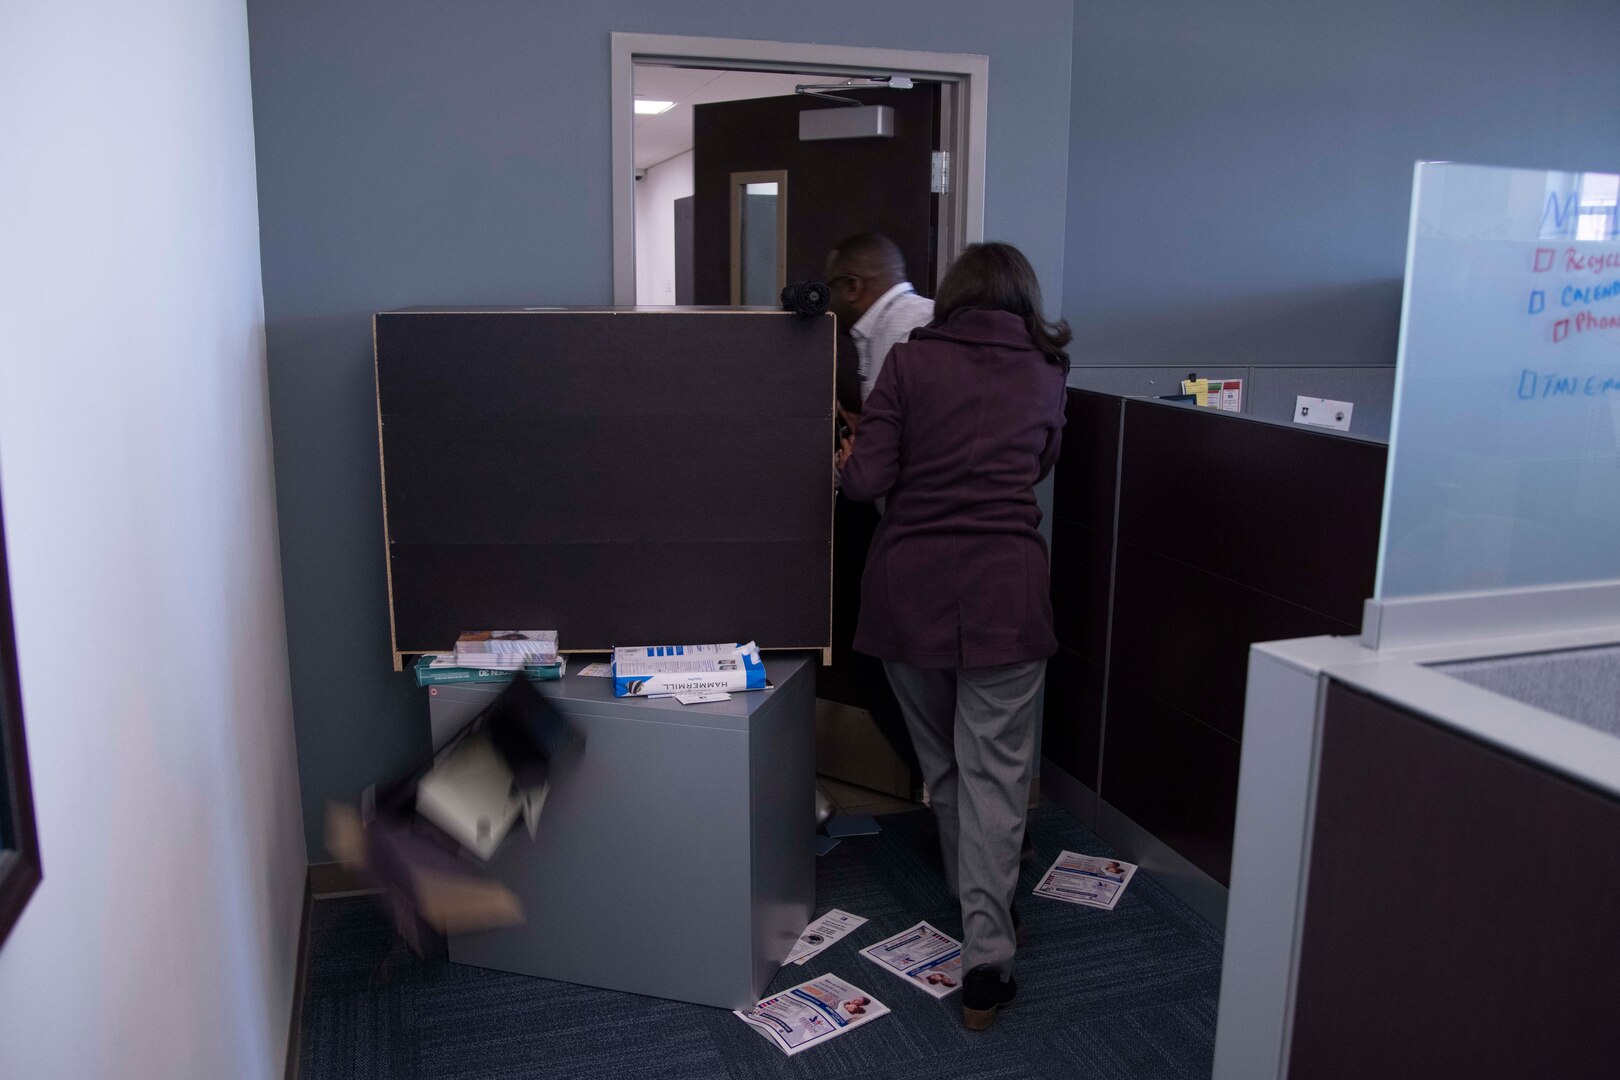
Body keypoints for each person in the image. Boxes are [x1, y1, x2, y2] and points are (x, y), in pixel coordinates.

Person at [837, 241, 1068, 1031]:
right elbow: (1039, 463)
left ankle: (983, 917)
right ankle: (987, 963)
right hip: (1006, 593)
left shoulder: (909, 362)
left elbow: (865, 481)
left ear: (953, 295)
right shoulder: (1047, 369)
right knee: (997, 775)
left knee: (948, 771)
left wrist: (856, 451)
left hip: (913, 593)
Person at [821, 232, 937, 795]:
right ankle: (947, 802)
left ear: (854, 286)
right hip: (919, 532)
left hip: (913, 533)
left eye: (832, 289)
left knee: (879, 664)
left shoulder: (902, 333)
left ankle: (942, 794)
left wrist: (857, 456)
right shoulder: (898, 326)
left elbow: (882, 467)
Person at [824, 233, 935, 410]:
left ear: (852, 287)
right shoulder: (886, 325)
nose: (828, 302)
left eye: (830, 289)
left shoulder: (910, 332)